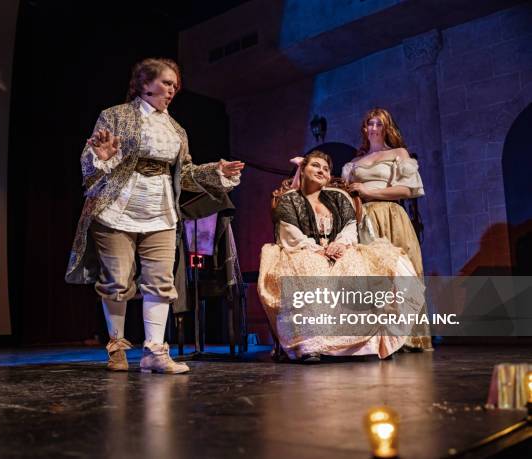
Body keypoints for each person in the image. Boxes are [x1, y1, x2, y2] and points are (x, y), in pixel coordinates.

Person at [65, 58, 244, 373]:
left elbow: (185, 173)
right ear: (144, 83)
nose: (172, 89)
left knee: (160, 281)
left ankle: (154, 351)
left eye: (175, 85)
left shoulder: (176, 129)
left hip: (160, 210)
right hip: (117, 207)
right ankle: (117, 346)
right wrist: (100, 155)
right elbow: (90, 160)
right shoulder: (116, 116)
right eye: (166, 82)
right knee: (117, 281)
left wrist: (216, 172)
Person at [257, 151, 424, 360]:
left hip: (340, 248)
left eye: (326, 169)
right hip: (303, 250)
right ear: (303, 170)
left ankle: (365, 343)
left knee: (367, 265)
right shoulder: (289, 199)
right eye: (316, 166)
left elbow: (349, 226)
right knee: (309, 268)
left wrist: (341, 244)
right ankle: (311, 345)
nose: (322, 171)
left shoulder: (339, 197)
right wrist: (315, 248)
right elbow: (290, 232)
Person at [342, 108, 431, 350]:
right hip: (364, 219)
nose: (374, 128)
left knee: (401, 274)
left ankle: (409, 337)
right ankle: (379, 338)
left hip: (391, 215)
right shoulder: (354, 164)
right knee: (373, 277)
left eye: (379, 124)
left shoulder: (398, 154)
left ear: (386, 128)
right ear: (364, 129)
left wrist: (370, 191)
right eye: (370, 124)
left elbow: (408, 190)